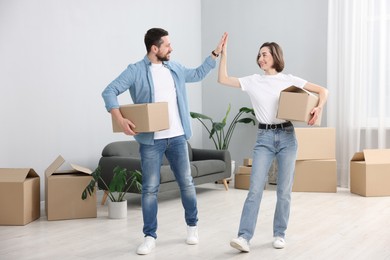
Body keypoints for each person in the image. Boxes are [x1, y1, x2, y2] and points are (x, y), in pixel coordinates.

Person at [102, 28, 225, 255]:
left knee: (186, 183)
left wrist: (214, 54)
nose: (171, 48)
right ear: (154, 48)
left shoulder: (174, 68)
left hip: (177, 138)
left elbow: (197, 74)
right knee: (149, 190)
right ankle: (149, 236)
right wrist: (120, 120)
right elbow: (109, 92)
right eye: (167, 45)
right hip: (151, 142)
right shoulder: (135, 71)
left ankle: (192, 226)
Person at [218, 33, 328, 253]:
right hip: (264, 138)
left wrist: (319, 107)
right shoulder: (253, 81)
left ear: (275, 56)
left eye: (265, 54)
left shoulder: (289, 79)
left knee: (284, 190)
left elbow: (323, 91)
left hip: (287, 136)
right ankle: (244, 237)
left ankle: (279, 234)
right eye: (259, 55)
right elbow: (223, 79)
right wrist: (224, 54)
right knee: (255, 189)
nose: (261, 58)